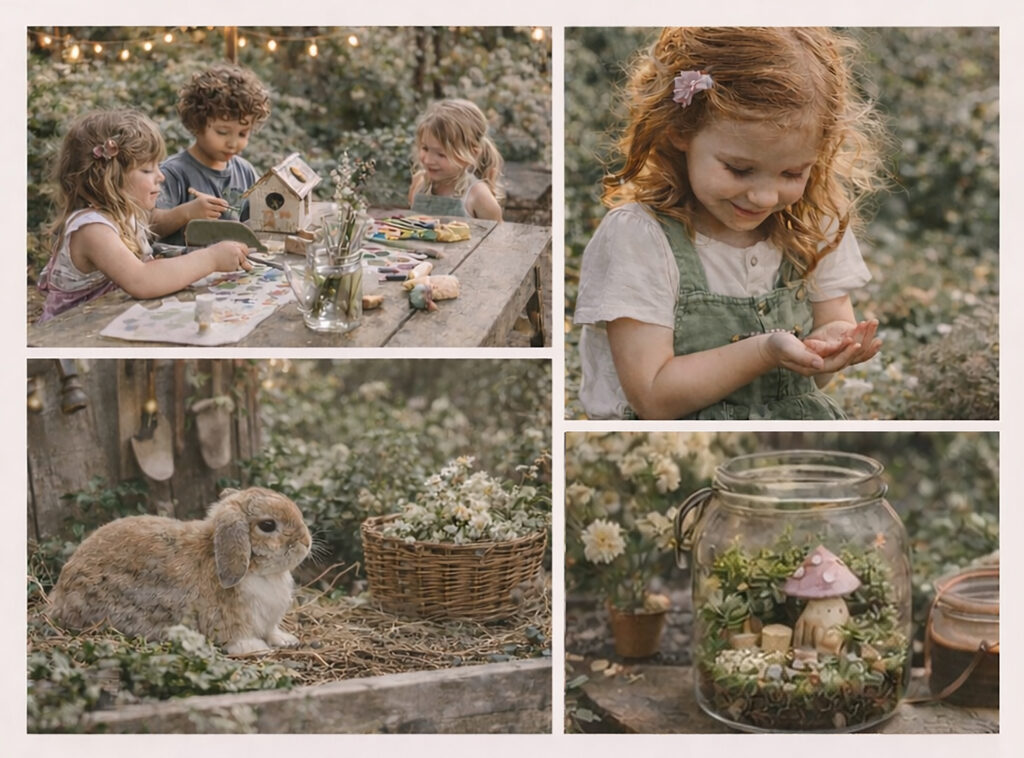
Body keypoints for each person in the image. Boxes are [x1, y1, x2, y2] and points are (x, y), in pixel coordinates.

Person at [574, 27, 886, 420]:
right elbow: (653, 398)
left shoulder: (812, 225)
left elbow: (821, 358)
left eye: (792, 173)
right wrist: (764, 351)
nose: (764, 197)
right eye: (739, 169)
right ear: (680, 131)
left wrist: (829, 343)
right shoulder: (640, 238)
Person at [37, 110, 252, 322]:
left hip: (109, 320)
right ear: (108, 177)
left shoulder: (126, 215)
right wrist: (212, 258)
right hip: (71, 334)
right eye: (147, 170)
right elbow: (142, 280)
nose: (161, 176)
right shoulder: (92, 229)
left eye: (157, 166)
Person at [150, 64, 271, 245]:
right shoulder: (173, 173)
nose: (232, 143)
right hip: (185, 269)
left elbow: (259, 221)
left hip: (233, 269)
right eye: (222, 132)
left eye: (242, 134)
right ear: (197, 124)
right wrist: (187, 212)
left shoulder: (245, 171)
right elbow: (150, 225)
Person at [408, 99, 504, 221]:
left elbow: (498, 238)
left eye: (441, 154)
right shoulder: (419, 183)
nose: (428, 160)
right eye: (425, 148)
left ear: (472, 154)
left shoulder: (479, 195)